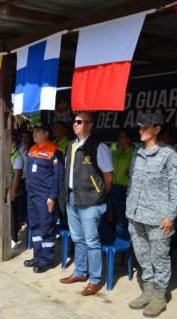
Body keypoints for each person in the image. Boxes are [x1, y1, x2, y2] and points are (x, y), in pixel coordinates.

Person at [126, 113, 177, 317]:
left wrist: (170, 215)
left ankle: (159, 295)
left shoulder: (169, 155)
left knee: (159, 257)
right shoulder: (137, 152)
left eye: (145, 127)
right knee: (142, 255)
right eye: (139, 127)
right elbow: (132, 182)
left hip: (159, 218)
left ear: (157, 129)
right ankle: (147, 290)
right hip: (135, 215)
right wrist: (129, 208)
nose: (140, 130)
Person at [59, 112, 113, 297]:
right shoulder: (70, 146)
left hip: (91, 201)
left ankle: (95, 280)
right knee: (78, 239)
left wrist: (99, 195)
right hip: (72, 198)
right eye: (74, 121)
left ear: (90, 125)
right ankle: (80, 272)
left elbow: (108, 176)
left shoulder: (99, 147)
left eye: (80, 122)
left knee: (91, 241)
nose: (75, 124)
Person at [24, 122, 63, 273]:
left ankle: (46, 261)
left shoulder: (54, 151)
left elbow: (58, 177)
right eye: (33, 131)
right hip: (32, 196)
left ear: (46, 133)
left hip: (44, 197)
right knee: (34, 227)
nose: (34, 134)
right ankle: (37, 256)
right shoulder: (32, 149)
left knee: (46, 228)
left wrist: (52, 197)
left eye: (37, 131)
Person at [107, 129, 134, 241]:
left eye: (122, 137)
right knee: (109, 216)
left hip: (124, 188)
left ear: (128, 139)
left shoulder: (133, 152)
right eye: (119, 137)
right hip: (112, 186)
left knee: (122, 218)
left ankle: (122, 241)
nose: (119, 139)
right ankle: (110, 238)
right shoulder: (115, 149)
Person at [10, 133, 24, 247]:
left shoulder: (17, 156)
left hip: (13, 190)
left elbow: (17, 176)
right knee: (8, 214)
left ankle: (14, 238)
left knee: (13, 214)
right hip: (6, 189)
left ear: (13, 144)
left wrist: (13, 191)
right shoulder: (8, 155)